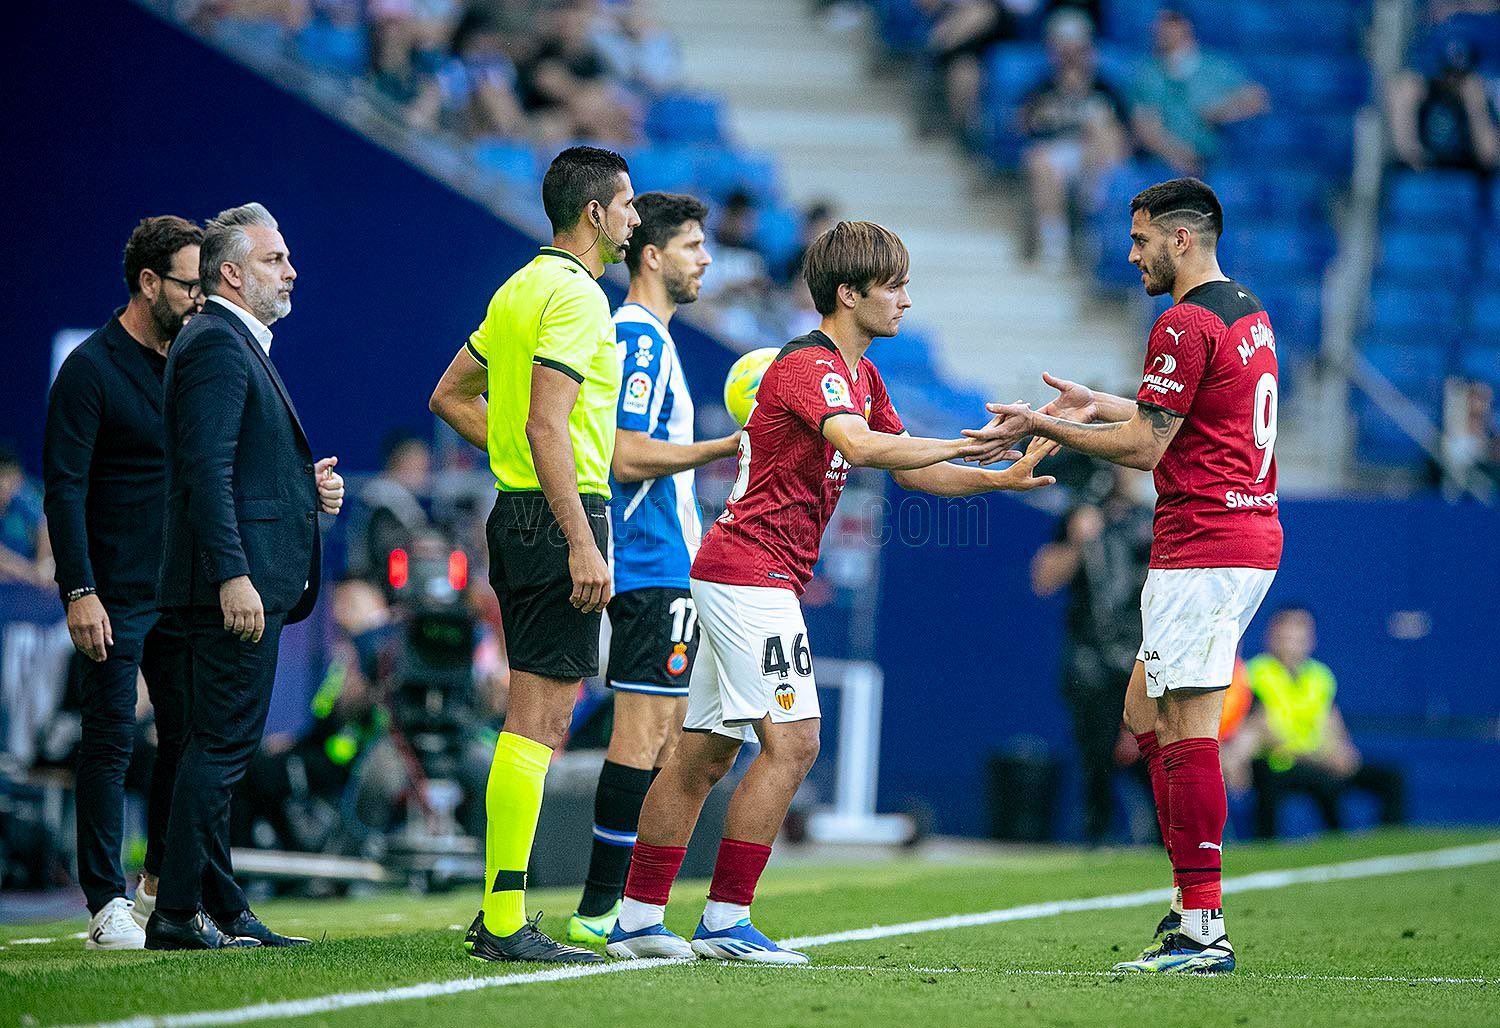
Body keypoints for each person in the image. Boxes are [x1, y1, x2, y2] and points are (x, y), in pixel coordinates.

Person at [607, 221, 1055, 964]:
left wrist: (994, 477)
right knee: (795, 742)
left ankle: (636, 921)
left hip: (740, 570)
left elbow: (909, 468)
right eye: (894, 286)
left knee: (703, 755)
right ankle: (724, 921)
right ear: (848, 293)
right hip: (749, 572)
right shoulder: (807, 366)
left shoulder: (863, 376)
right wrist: (967, 440)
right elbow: (864, 446)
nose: (906, 301)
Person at [967, 177, 1283, 974]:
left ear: (1182, 238)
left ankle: (1201, 925)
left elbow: (1148, 446)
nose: (1132, 254)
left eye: (1141, 239)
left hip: (1206, 542)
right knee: (1143, 707)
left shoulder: (1182, 321)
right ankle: (1191, 897)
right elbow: (1188, 415)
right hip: (1240, 531)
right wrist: (1099, 402)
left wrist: (1042, 425)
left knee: (1188, 727)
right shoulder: (1244, 309)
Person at [429, 145, 639, 964]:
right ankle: (504, 920)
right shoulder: (580, 296)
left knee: (533, 718)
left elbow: (450, 395)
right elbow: (547, 423)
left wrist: (514, 463)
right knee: (539, 722)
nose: (633, 220)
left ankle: (499, 911)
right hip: (562, 516)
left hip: (517, 512)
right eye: (626, 205)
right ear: (594, 212)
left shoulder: (519, 287)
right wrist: (582, 538)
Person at [149, 202, 346, 951]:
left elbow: (234, 467)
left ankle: (223, 906)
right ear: (230, 274)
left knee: (215, 746)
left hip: (232, 584)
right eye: (274, 259)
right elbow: (204, 472)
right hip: (228, 590)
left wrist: (304, 486)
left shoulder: (228, 342)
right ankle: (174, 913)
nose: (291, 270)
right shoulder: (217, 344)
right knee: (220, 748)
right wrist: (233, 576)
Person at [564, 192, 741, 945]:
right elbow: (624, 454)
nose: (706, 259)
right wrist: (725, 446)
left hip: (662, 560)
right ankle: (603, 911)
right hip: (648, 559)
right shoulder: (637, 338)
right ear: (652, 254)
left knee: (665, 735)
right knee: (643, 735)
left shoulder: (650, 337)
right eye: (693, 246)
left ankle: (631, 910)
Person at [42, 215, 204, 950]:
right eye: (189, 285)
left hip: (180, 589)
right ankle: (104, 902)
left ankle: (157, 886)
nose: (199, 299)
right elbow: (64, 488)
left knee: (187, 737)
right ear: (148, 283)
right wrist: (79, 591)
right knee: (108, 740)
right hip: (112, 591)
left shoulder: (188, 362)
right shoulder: (90, 369)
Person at [1030, 462, 1152, 845]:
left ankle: (1167, 840)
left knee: (1156, 753)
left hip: (1142, 658)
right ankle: (1097, 839)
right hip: (1091, 659)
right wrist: (1078, 542)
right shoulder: (1080, 516)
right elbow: (1043, 580)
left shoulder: (1151, 520)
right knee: (1096, 756)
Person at [1239, 606, 1405, 837]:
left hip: (1319, 759)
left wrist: (1342, 751)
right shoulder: (1254, 673)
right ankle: (1333, 838)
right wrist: (1317, 758)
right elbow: (1261, 729)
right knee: (1316, 781)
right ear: (1271, 637)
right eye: (1286, 634)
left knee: (1391, 777)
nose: (1293, 642)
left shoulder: (1320, 675)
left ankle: (1390, 842)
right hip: (1277, 762)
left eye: (1300, 634)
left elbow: (1332, 721)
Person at [1020, 10, 1129, 267]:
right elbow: (1025, 125)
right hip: (1059, 152)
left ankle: (1095, 226)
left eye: (1077, 51)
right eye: (1064, 52)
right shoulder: (1043, 88)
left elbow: (1125, 134)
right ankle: (1054, 245)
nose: (1071, 59)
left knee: (1104, 133)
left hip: (1096, 159)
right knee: (1039, 161)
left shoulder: (1104, 88)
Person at [1130, 8, 1269, 175]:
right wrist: (1179, 156)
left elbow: (1257, 99)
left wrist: (1220, 111)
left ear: (1186, 26)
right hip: (1166, 166)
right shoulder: (1148, 74)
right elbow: (1146, 127)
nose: (1160, 29)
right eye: (1158, 24)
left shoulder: (1216, 66)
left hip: (1216, 162)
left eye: (1170, 22)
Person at [1387, 34, 1499, 172]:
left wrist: (1476, 108)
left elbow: (1488, 155)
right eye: (1449, 73)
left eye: (1459, 75)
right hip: (1424, 172)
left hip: (1467, 174)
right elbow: (1407, 153)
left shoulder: (1477, 99)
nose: (1452, 80)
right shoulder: (1423, 96)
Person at [0, 445, 53, 587]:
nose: (6, 485)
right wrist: (29, 573)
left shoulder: (22, 495)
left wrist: (42, 563)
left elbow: (43, 525)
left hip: (26, 575)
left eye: (12, 478)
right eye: (2, 477)